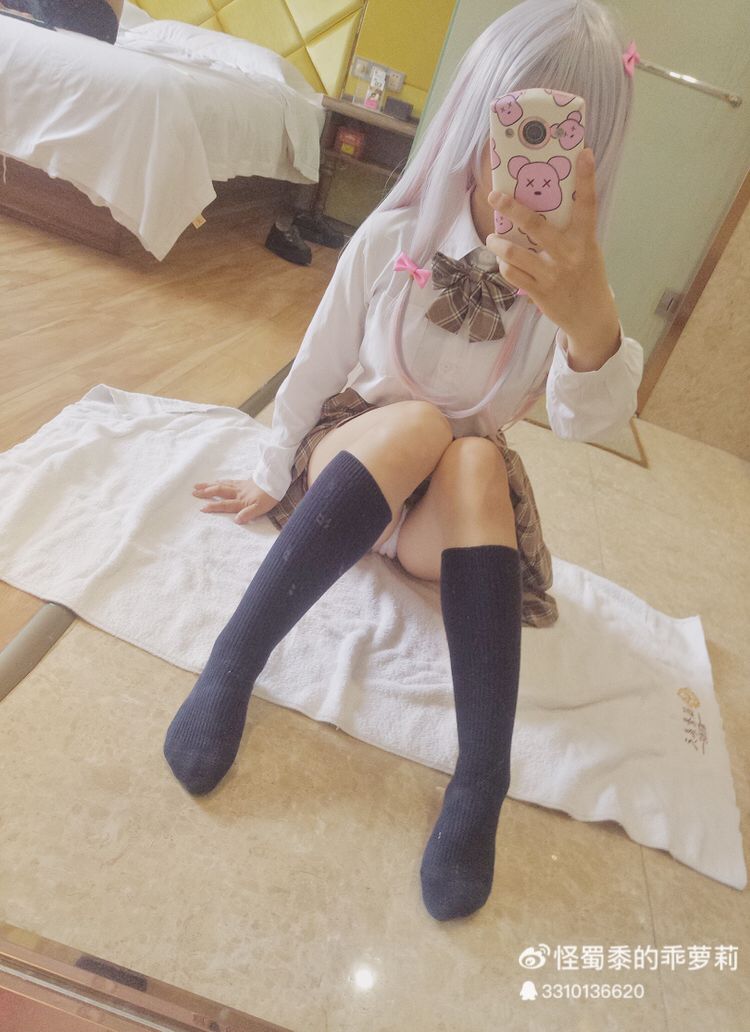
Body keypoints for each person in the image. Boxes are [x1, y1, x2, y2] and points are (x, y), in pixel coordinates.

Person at [164, 0, 644, 922]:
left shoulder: (574, 289)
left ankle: (482, 775)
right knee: (420, 424)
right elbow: (316, 363)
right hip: (356, 462)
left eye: (562, 138)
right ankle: (234, 659)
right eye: (520, 123)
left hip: (442, 524)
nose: (529, 158)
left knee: (475, 460)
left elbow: (584, 423)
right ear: (480, 111)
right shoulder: (398, 235)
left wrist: (591, 324)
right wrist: (271, 467)